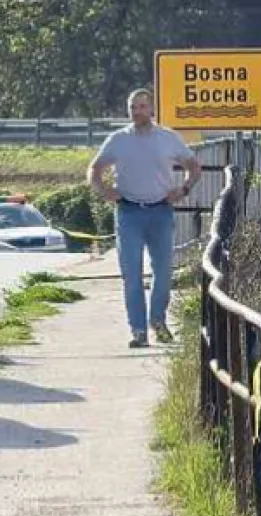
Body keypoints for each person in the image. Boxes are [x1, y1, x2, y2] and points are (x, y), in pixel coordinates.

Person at [87, 88, 201, 348]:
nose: (137, 112)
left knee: (163, 272)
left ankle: (158, 321)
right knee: (132, 273)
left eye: (141, 107)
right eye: (132, 108)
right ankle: (138, 330)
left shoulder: (168, 138)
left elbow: (194, 167)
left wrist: (183, 189)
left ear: (151, 109)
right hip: (129, 212)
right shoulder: (118, 139)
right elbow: (94, 169)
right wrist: (105, 190)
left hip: (160, 210)